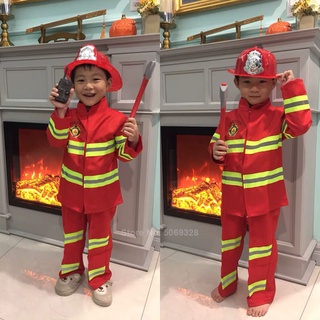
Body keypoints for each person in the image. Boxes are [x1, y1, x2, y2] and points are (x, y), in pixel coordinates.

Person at [208, 46, 312, 317]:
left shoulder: (278, 118)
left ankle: (260, 294)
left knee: (261, 249)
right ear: (237, 83)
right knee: (228, 245)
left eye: (262, 83)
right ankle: (228, 283)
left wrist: (291, 87)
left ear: (272, 84)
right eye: (248, 82)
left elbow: (301, 125)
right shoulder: (228, 119)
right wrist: (215, 152)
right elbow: (215, 146)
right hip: (232, 198)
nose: (255, 89)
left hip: (265, 199)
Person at [46, 44, 143, 307]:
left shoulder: (116, 119)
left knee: (100, 241)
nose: (88, 86)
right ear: (72, 86)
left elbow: (123, 155)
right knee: (72, 237)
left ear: (109, 83)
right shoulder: (67, 116)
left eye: (96, 79)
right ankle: (71, 272)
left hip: (103, 197)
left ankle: (99, 278)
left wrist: (132, 140)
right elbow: (55, 142)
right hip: (71, 194)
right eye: (81, 80)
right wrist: (61, 111)